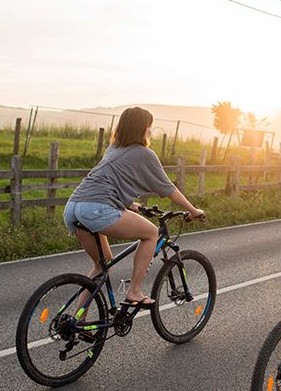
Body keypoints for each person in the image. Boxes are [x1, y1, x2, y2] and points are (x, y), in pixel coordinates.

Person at [63, 107, 204, 306]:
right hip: (97, 208)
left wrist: (131, 205)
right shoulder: (145, 154)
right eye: (149, 127)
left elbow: (111, 181)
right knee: (151, 233)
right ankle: (134, 292)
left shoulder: (113, 149)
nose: (150, 131)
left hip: (74, 207)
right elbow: (168, 188)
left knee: (102, 265)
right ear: (141, 129)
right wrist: (193, 210)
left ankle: (79, 321)